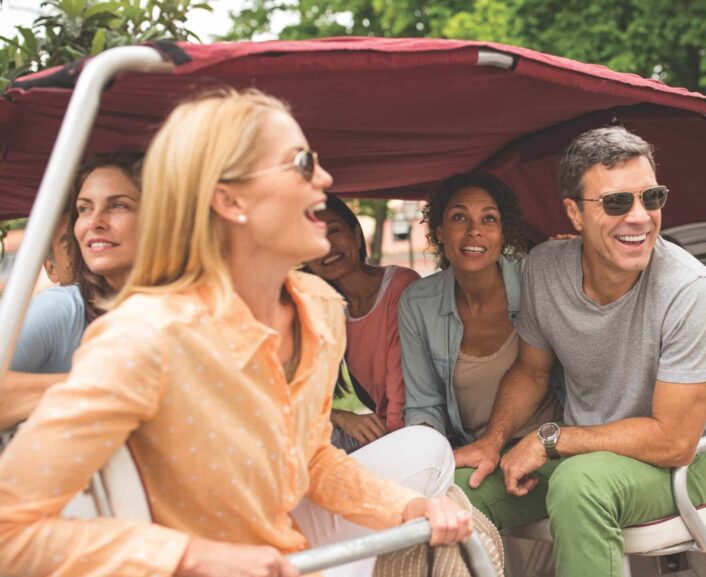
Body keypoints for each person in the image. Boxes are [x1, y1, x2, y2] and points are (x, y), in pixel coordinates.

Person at [0, 88, 469, 577]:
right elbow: (10, 527)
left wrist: (406, 507)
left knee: (436, 475)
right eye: (302, 163)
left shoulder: (320, 309)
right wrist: (190, 557)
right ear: (228, 199)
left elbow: (310, 458)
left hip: (296, 549)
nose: (325, 180)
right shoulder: (146, 336)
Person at [454, 127, 706, 576]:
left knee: (578, 484)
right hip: (585, 454)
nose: (640, 217)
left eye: (652, 198)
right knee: (453, 492)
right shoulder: (543, 269)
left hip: (693, 460)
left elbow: (675, 441)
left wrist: (553, 439)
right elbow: (531, 371)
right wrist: (492, 441)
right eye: (617, 202)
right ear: (574, 214)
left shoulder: (690, 288)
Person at [399, 173, 562, 452]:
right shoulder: (417, 303)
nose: (474, 230)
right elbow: (425, 405)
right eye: (459, 218)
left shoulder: (536, 276)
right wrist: (426, 455)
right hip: (479, 453)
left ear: (503, 233)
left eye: (489, 219)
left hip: (552, 445)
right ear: (439, 232)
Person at [0, 153, 142, 430]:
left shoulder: (184, 309)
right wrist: (112, 385)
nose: (94, 222)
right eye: (84, 209)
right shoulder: (63, 306)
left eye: (118, 206)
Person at [304, 196, 420, 450]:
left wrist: (398, 448)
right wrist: (341, 416)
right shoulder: (327, 310)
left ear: (356, 236)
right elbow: (291, 397)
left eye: (333, 231)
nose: (326, 245)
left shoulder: (400, 285)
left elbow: (401, 387)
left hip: (415, 430)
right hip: (380, 430)